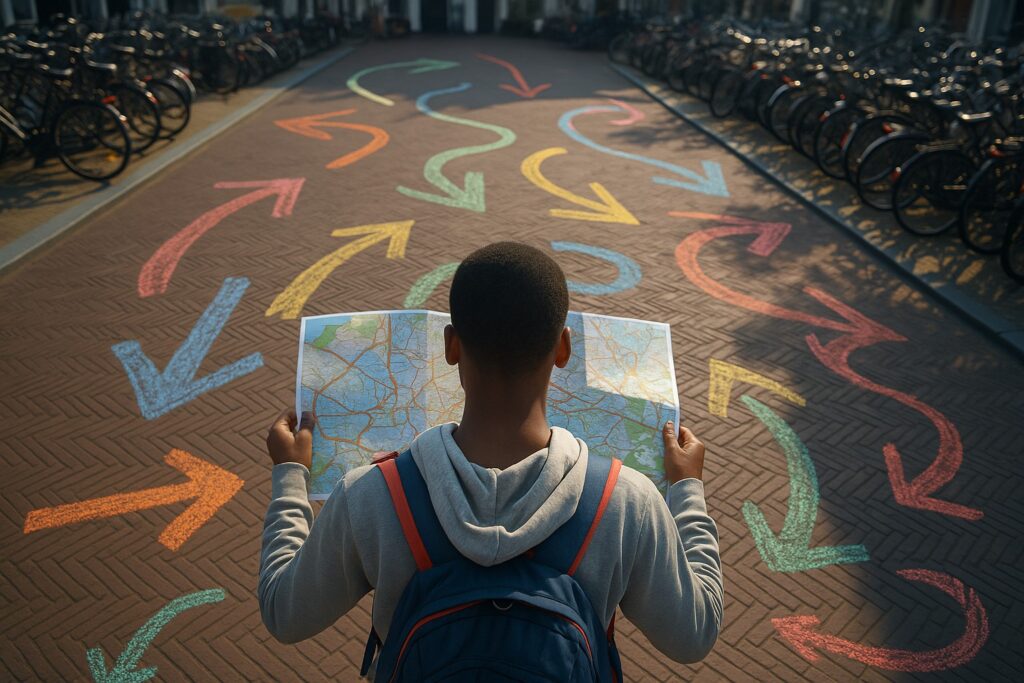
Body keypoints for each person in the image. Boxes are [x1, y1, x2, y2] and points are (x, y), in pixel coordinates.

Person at [259, 241, 723, 678]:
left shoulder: (372, 494)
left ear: (451, 345)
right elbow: (693, 636)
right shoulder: (626, 502)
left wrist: (290, 475)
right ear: (563, 349)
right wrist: (686, 490)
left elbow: (285, 614)